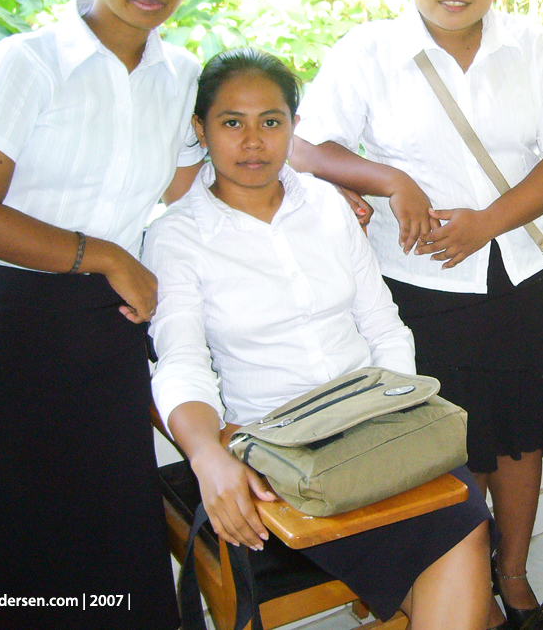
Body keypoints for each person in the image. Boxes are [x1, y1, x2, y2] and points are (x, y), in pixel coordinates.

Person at [290, 0, 543, 630]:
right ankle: (461, 586)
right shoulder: (369, 52)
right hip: (413, 286)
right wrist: (389, 180)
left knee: (519, 439)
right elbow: (303, 145)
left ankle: (513, 578)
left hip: (516, 272)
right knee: (443, 444)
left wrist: (487, 222)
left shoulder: (530, 45)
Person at [0, 0, 205, 630]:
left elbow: (188, 181)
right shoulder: (28, 62)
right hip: (0, 333)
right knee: (16, 557)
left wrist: (319, 185)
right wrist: (109, 254)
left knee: (116, 540)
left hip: (101, 334)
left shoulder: (181, 77)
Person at [144, 48, 493, 630]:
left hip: (375, 421)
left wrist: (402, 411)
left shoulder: (328, 207)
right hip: (286, 450)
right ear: (200, 129)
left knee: (463, 521)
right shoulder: (177, 237)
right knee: (458, 554)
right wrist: (206, 454)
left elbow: (383, 325)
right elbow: (181, 362)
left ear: (294, 127)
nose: (253, 141)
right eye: (232, 122)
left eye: (271, 121)